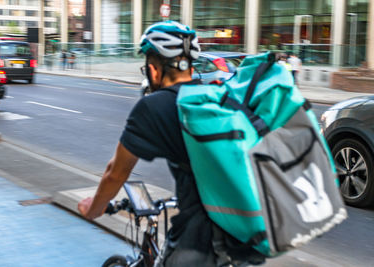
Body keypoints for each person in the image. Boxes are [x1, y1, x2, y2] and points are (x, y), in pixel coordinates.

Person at [78, 21, 265, 267]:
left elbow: (115, 172)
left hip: (197, 247)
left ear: (154, 69)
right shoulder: (217, 98)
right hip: (247, 244)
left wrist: (95, 208)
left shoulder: (154, 106)